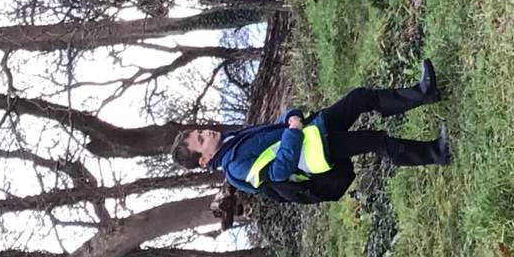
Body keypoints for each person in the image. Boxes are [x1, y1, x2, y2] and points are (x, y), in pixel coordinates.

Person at [171, 65, 449, 204]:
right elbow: (279, 171)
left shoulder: (233, 139)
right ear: (204, 160)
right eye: (201, 140)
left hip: (314, 130)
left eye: (200, 131)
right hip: (317, 151)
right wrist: (293, 132)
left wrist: (289, 117)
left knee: (360, 97)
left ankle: (424, 93)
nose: (206, 132)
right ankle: (436, 153)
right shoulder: (235, 167)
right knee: (376, 141)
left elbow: (274, 133)